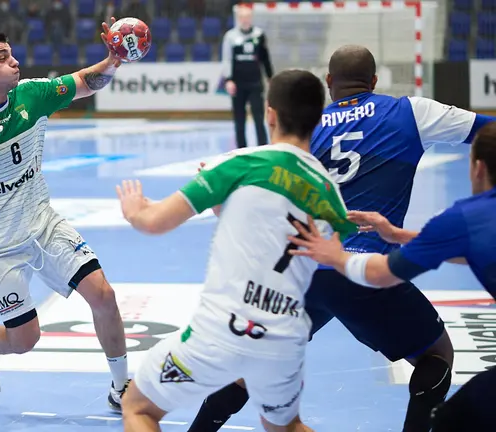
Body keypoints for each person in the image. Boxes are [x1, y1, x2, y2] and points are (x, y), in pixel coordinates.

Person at [187, 45, 496, 432]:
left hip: (301, 269)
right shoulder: (411, 113)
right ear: (374, 81)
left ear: (329, 82)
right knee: (436, 355)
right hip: (363, 269)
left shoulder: (307, 127)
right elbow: (487, 132)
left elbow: (244, 168)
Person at [117, 69, 357, 432]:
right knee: (286, 426)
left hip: (221, 330)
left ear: (270, 114)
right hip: (284, 339)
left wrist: (135, 210)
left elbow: (154, 222)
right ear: (318, 119)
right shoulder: (331, 194)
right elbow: (295, 240)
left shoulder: (242, 164)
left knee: (138, 408)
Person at [0, 26, 130, 411]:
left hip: (43, 224)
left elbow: (85, 83)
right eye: (2, 57)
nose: (15, 62)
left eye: (12, 53)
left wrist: (112, 61)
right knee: (24, 339)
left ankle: (121, 387)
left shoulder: (31, 95)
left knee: (103, 295)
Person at [285, 121, 496, 431]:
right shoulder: (472, 224)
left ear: (478, 168)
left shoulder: (467, 217)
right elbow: (472, 247)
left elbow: (383, 274)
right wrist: (397, 234)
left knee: (454, 418)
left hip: (323, 273)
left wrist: (336, 257)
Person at [221, 3, 273, 148]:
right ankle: (241, 149)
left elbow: (265, 58)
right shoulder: (230, 37)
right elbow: (226, 59)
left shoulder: (259, 35)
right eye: (242, 17)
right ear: (238, 18)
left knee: (259, 117)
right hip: (238, 84)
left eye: (247, 17)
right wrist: (228, 80)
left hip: (255, 83)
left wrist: (270, 77)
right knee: (239, 119)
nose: (245, 20)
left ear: (251, 18)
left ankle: (263, 147)